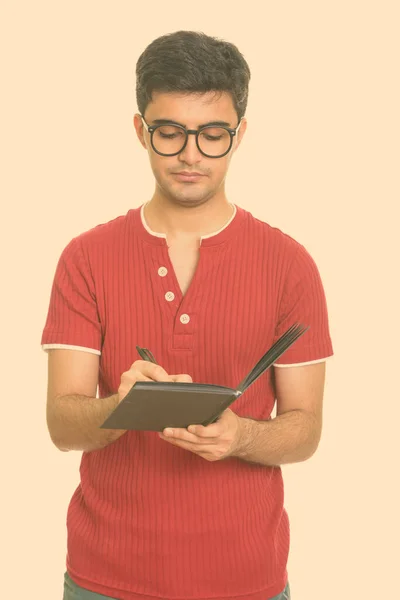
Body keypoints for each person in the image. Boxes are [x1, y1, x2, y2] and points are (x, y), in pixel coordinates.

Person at [41, 30, 333, 600]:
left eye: (212, 134)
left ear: (239, 134)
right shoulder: (86, 258)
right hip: (106, 579)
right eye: (170, 132)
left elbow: (305, 429)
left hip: (246, 579)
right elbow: (60, 424)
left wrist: (241, 435)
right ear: (140, 130)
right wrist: (121, 409)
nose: (191, 155)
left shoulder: (290, 264)